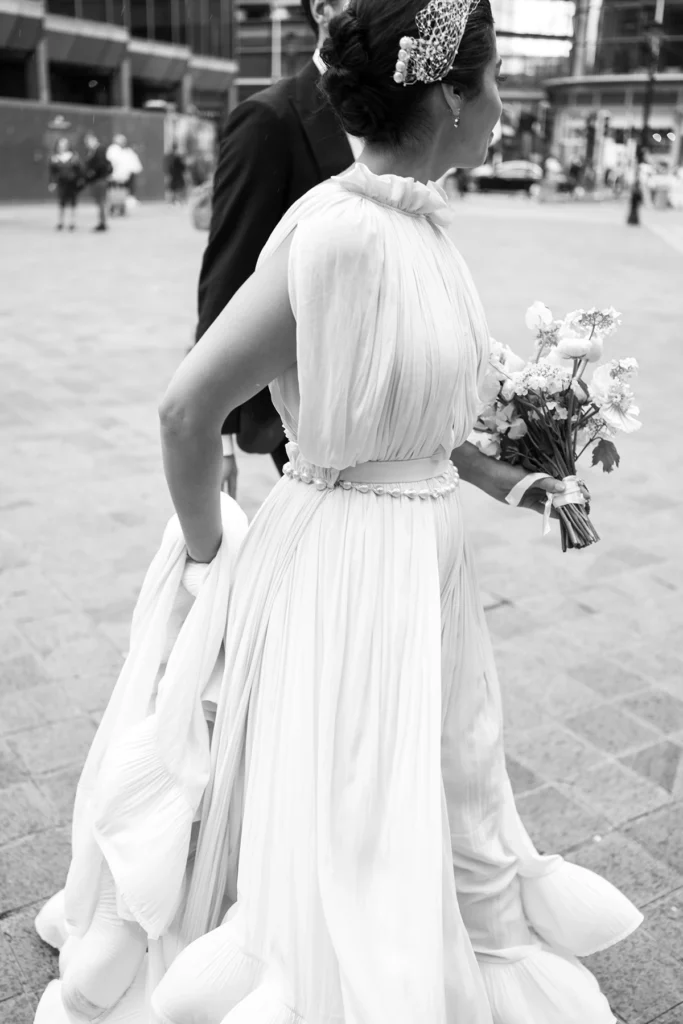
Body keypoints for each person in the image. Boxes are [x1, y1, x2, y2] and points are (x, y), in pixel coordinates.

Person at [33, 0, 642, 1021]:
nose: (500, 107)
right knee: (348, 794)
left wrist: (510, 479)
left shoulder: (423, 230)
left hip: (425, 556)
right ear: (450, 94)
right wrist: (202, 554)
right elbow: (188, 407)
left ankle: (429, 929)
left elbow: (413, 414)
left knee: (436, 770)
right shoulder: (331, 234)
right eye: (492, 86)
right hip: (342, 559)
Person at [196, 0, 355, 497]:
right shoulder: (269, 117)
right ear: (323, 8)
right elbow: (229, 272)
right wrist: (216, 438)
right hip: (302, 395)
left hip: (375, 380)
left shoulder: (398, 113)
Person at [48, 137, 83, 231]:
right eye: (60, 145)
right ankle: (61, 222)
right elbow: (52, 172)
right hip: (61, 182)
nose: (62, 147)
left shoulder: (74, 156)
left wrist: (80, 181)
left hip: (72, 182)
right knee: (61, 202)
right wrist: (52, 182)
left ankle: (72, 222)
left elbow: (79, 170)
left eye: (64, 145)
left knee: (73, 202)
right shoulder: (54, 157)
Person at [106, 134, 143, 214]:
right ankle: (114, 208)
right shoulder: (113, 150)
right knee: (114, 192)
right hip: (114, 177)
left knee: (122, 192)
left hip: (123, 177)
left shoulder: (125, 151)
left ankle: (121, 208)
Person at [83, 131, 112, 232]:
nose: (87, 144)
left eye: (88, 141)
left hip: (99, 179)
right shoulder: (94, 150)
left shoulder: (99, 150)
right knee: (100, 202)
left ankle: (103, 223)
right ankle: (102, 222)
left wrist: (91, 173)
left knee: (101, 202)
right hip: (97, 180)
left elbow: (100, 165)